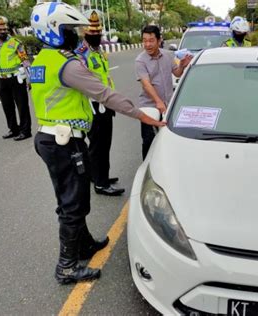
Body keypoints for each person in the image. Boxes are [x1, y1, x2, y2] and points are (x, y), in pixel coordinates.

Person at [30, 2, 165, 285]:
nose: (77, 35)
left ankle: (84, 245)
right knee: (73, 203)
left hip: (51, 138)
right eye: (70, 30)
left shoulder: (42, 60)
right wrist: (144, 116)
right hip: (64, 141)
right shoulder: (66, 65)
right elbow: (105, 94)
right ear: (55, 31)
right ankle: (66, 266)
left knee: (71, 197)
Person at [75, 10, 125, 196]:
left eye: (98, 32)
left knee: (103, 145)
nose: (96, 35)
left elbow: (106, 78)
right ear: (84, 32)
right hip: (94, 106)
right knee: (99, 146)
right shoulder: (81, 54)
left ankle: (98, 175)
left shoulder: (99, 51)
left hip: (105, 104)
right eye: (92, 32)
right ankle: (101, 184)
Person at [135, 25, 192, 159]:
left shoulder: (167, 55)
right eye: (145, 40)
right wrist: (158, 102)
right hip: (149, 108)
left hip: (168, 106)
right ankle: (147, 168)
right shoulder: (140, 61)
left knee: (167, 140)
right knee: (149, 141)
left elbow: (177, 73)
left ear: (159, 40)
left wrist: (182, 65)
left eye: (151, 40)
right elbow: (146, 84)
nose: (147, 44)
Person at [0, 16, 32, 140]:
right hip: (1, 79)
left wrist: (30, 79)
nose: (3, 32)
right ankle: (13, 129)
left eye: (4, 29)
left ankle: (25, 131)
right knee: (7, 106)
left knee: (22, 106)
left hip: (16, 78)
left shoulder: (15, 43)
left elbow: (25, 61)